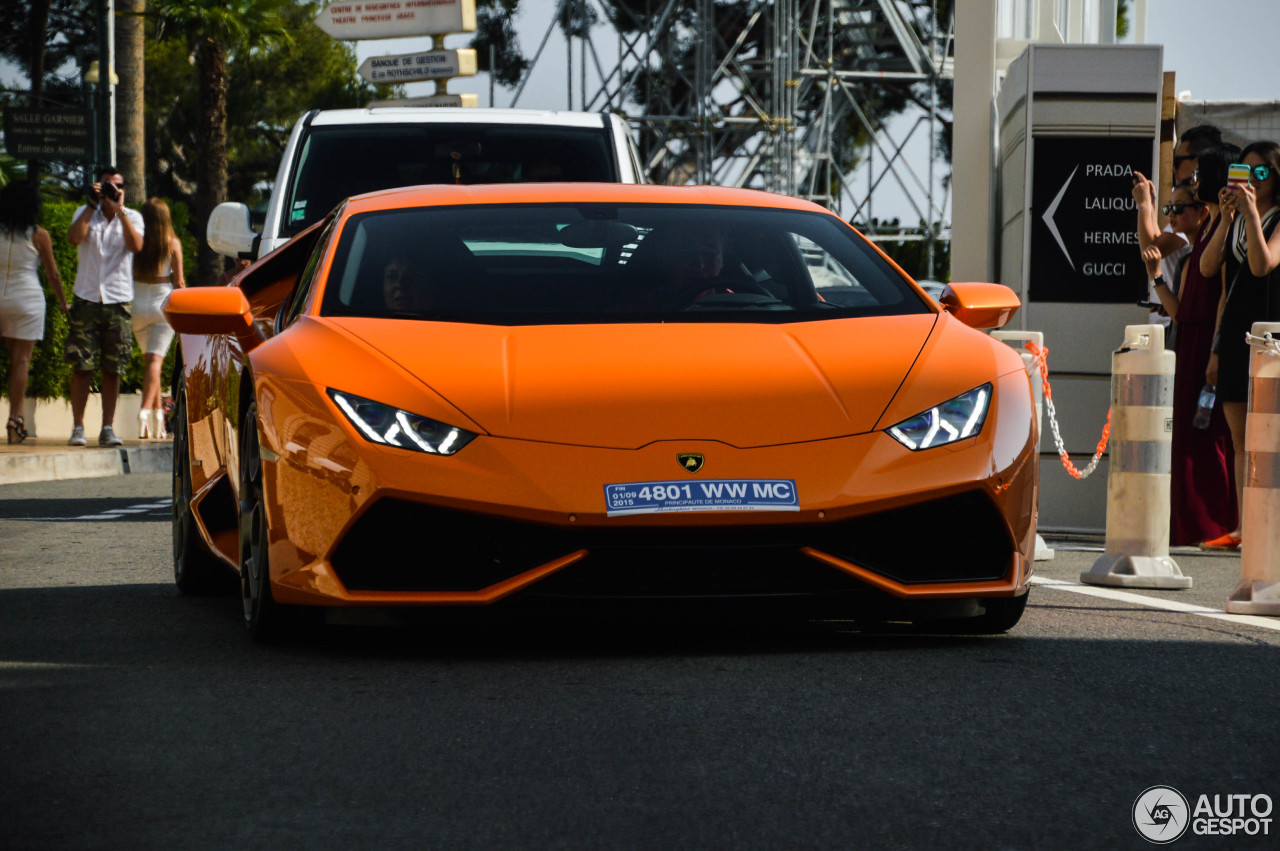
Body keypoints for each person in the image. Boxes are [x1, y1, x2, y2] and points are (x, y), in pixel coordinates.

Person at [1139, 174, 1236, 546]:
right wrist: (1156, 277)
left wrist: (1215, 352)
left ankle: (1213, 524)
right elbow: (1181, 314)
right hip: (1188, 348)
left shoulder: (1217, 245)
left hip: (1208, 350)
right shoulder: (1189, 258)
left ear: (1202, 211)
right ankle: (1188, 527)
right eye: (1169, 208)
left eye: (1179, 208)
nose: (1173, 215)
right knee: (1184, 441)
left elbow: (1221, 304)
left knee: (1207, 441)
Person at [1200, 140, 1280, 550]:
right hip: (1234, 333)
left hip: (1270, 334)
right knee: (1239, 438)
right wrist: (1227, 216)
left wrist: (1250, 213)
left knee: (1268, 436)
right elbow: (1210, 269)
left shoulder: (1277, 219)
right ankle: (1244, 527)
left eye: (1262, 171)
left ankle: (1267, 527)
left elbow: (1262, 264)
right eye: (1246, 172)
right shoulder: (1233, 218)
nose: (1253, 179)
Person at [65, 166, 144, 447]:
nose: (112, 190)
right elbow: (74, 237)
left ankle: (108, 427)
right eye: (106, 185)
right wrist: (91, 205)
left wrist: (119, 210)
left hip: (118, 301)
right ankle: (77, 427)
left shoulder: (132, 217)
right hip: (86, 298)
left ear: (123, 189)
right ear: (97, 187)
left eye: (117, 186)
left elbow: (136, 246)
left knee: (114, 367)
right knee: (81, 366)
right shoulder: (85, 213)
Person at [0, 181, 68, 443]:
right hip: (27, 300)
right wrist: (63, 302)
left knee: (12, 360)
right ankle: (15, 418)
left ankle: (15, 417)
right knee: (21, 361)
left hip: (1, 299)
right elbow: (53, 274)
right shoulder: (39, 235)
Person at [130, 198, 185, 439]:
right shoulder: (172, 243)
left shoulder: (136, 244)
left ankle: (158, 424)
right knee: (155, 363)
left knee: (151, 364)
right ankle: (144, 412)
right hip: (162, 305)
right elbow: (180, 283)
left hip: (137, 304)